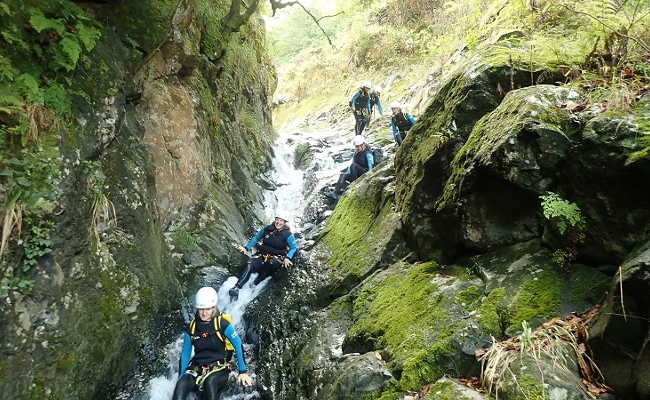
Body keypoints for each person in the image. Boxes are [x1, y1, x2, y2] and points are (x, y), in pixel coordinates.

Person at [173, 287, 252, 400]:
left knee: (210, 383)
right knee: (181, 385)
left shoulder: (222, 324)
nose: (204, 313)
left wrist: (242, 371)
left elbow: (238, 344)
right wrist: (181, 379)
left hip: (218, 368)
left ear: (213, 307)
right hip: (197, 367)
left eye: (208, 309)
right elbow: (185, 355)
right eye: (201, 309)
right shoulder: (192, 327)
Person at [228, 216, 298, 299]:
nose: (278, 222)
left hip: (275, 259)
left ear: (285, 222)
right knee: (250, 264)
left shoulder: (288, 235)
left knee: (269, 265)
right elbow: (256, 238)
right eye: (277, 220)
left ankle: (254, 284)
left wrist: (288, 258)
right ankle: (237, 287)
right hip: (262, 256)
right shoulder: (268, 229)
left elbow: (294, 247)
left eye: (281, 220)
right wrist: (246, 248)